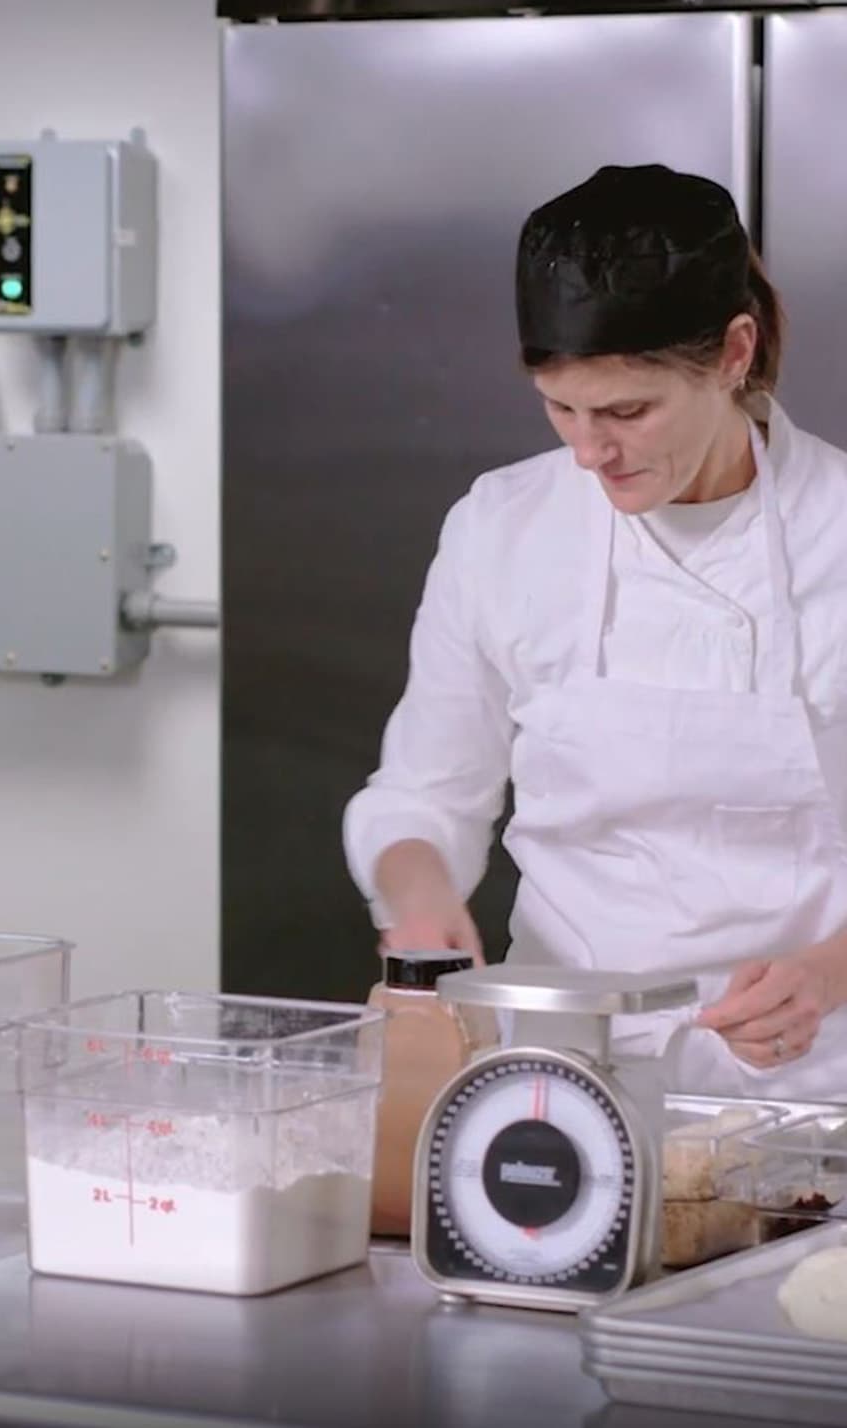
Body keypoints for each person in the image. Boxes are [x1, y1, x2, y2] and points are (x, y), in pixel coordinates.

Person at [345, 162, 847, 1098]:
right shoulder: (505, 526)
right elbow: (422, 792)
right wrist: (419, 899)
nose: (587, 451)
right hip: (558, 1078)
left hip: (813, 1093)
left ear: (735, 355)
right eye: (559, 406)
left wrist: (827, 973)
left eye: (627, 411)